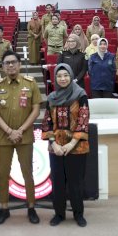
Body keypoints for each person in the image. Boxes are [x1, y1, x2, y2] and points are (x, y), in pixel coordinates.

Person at [0, 51, 41, 225]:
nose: (10, 65)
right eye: (7, 63)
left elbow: (36, 109)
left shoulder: (30, 83)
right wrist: (9, 131)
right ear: (2, 67)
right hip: (4, 138)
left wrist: (20, 130)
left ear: (19, 64)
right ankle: (4, 209)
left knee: (28, 173)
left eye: (13, 62)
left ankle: (31, 207)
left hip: (24, 137)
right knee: (3, 174)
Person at [41, 64, 89, 227]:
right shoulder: (52, 97)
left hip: (76, 146)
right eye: (59, 76)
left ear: (71, 76)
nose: (62, 79)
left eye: (66, 75)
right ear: (55, 78)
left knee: (76, 183)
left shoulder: (80, 95)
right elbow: (47, 122)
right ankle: (59, 214)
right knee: (58, 182)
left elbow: (83, 120)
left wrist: (72, 143)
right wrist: (54, 144)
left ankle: (78, 214)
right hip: (56, 148)